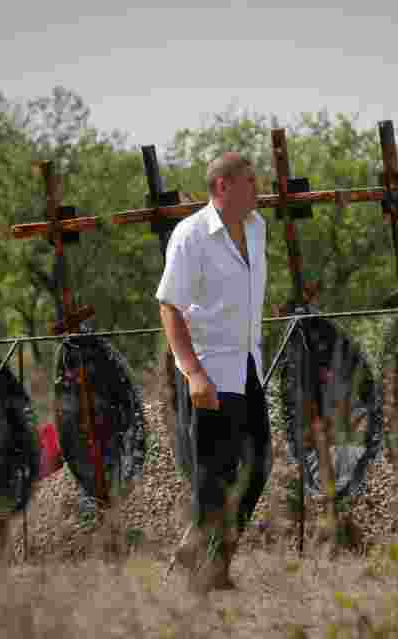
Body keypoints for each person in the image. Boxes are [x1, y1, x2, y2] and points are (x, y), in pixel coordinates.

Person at [156, 152, 271, 592]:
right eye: (249, 182)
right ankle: (207, 570)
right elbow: (170, 305)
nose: (257, 189)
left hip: (248, 365)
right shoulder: (191, 236)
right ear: (222, 186)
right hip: (210, 369)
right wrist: (193, 373)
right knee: (215, 471)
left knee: (258, 465)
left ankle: (204, 555)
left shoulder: (258, 229)